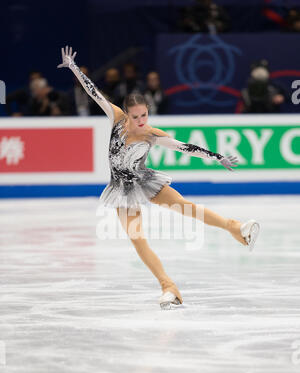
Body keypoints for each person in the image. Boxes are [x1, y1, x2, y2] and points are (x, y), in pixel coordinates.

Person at [57, 46, 260, 309]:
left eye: (145, 115)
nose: (141, 120)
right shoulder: (116, 118)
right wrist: (74, 68)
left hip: (145, 180)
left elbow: (185, 147)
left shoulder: (151, 134)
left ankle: (236, 227)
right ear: (127, 113)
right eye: (136, 116)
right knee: (139, 242)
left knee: (188, 208)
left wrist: (216, 156)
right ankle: (169, 287)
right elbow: (94, 93)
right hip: (122, 190)